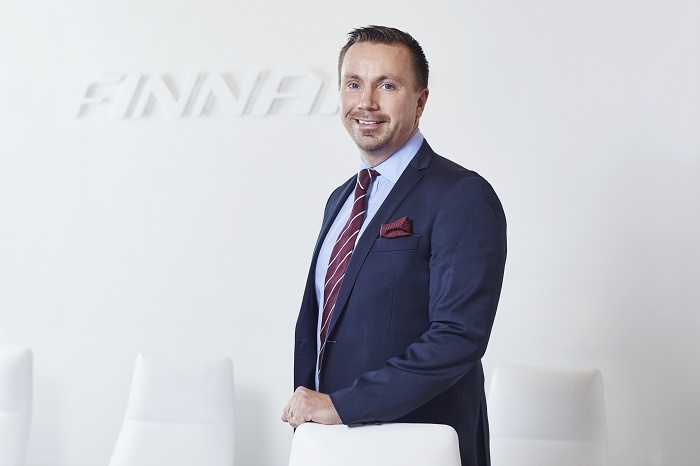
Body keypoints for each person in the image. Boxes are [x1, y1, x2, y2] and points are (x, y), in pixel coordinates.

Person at [281, 25, 507, 465]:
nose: (366, 102)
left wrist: (342, 405)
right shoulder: (342, 199)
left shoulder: (461, 195)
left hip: (419, 445)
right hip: (334, 446)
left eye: (386, 85)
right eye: (353, 84)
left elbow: (458, 337)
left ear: (420, 101)